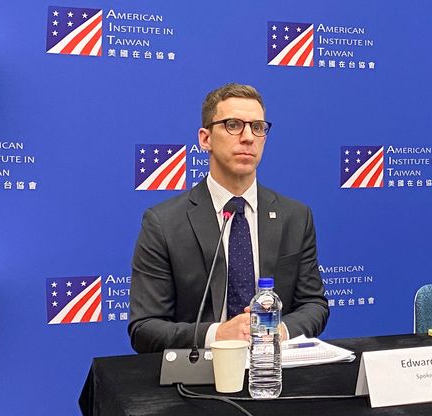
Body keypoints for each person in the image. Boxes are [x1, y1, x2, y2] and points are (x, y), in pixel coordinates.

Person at [128, 83, 328, 354]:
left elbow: (314, 305)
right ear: (205, 138)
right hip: (199, 378)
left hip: (273, 371)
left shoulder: (295, 216)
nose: (248, 137)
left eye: (257, 127)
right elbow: (144, 328)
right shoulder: (163, 223)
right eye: (233, 125)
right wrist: (218, 334)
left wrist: (279, 329)